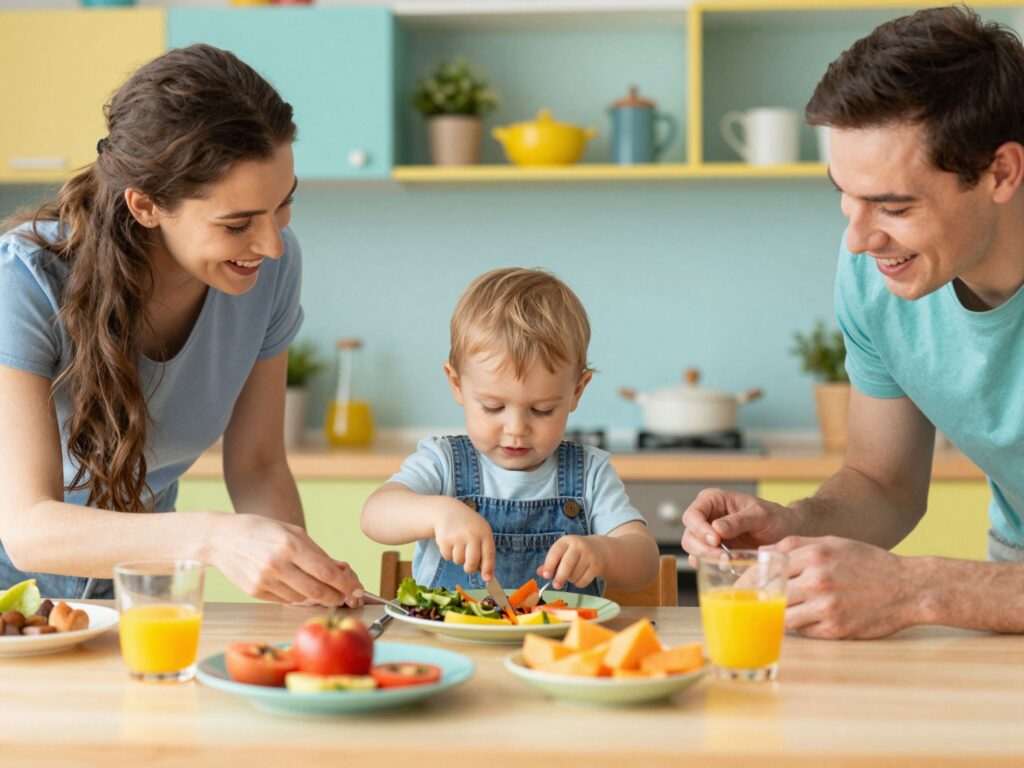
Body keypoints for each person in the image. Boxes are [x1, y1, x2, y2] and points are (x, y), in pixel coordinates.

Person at [683, 5, 1024, 639]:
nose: (860, 238)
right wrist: (794, 522)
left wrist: (917, 590)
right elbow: (884, 481)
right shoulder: (878, 277)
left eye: (892, 205)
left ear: (1000, 172)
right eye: (845, 194)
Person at [0, 44, 366, 605]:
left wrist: (307, 593)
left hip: (142, 591)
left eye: (282, 206)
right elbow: (29, 529)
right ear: (146, 206)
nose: (270, 244)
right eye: (237, 223)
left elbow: (259, 464)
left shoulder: (271, 267)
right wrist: (213, 537)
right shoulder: (26, 278)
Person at [361, 268, 659, 594]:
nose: (516, 429)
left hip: (561, 644)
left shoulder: (589, 473)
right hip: (450, 643)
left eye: (542, 410)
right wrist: (438, 512)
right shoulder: (443, 461)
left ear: (577, 391)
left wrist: (605, 552)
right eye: (493, 407)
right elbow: (375, 514)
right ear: (457, 384)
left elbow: (644, 562)